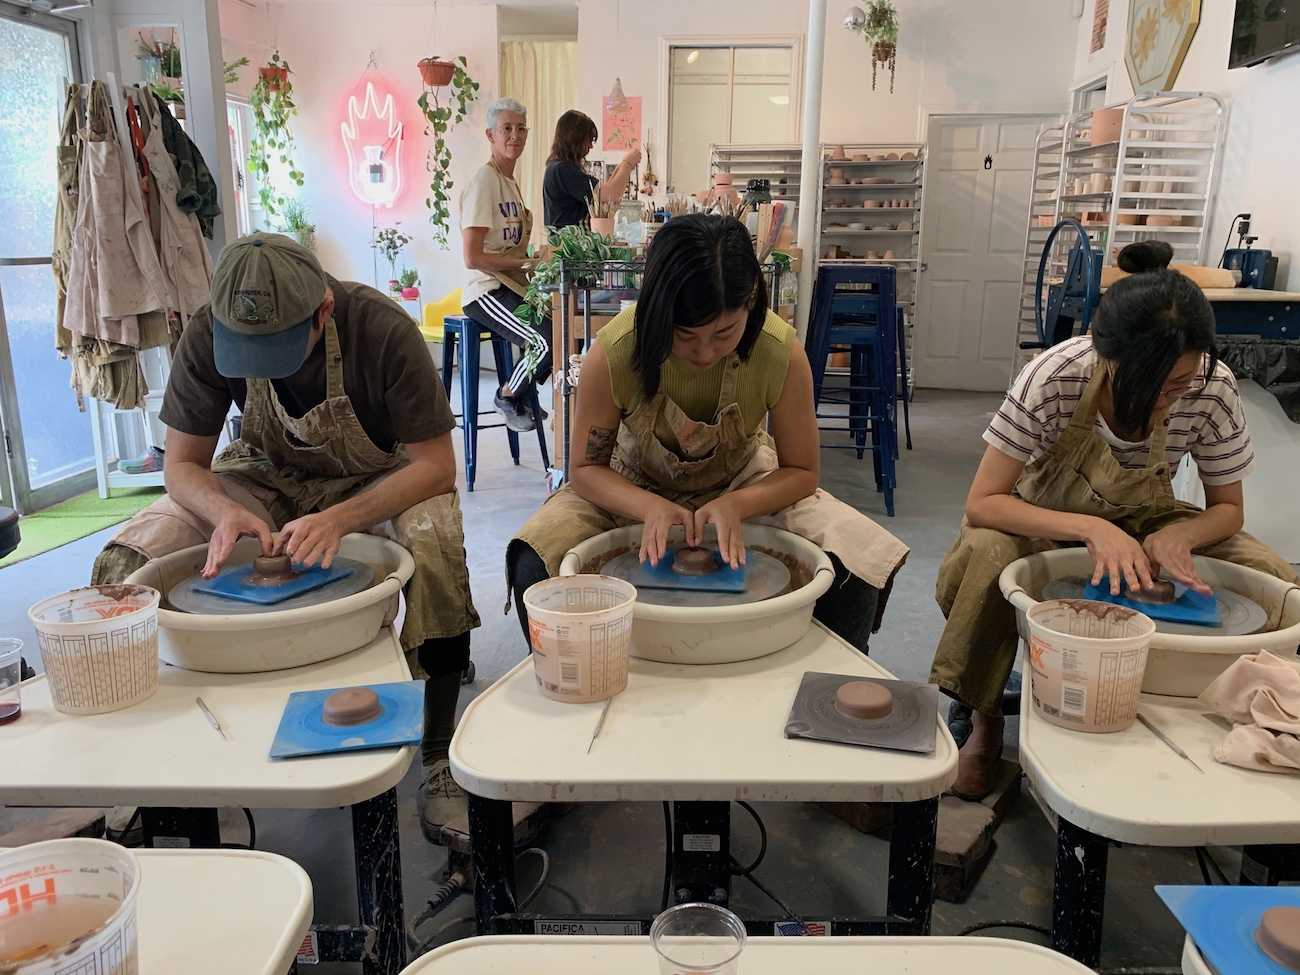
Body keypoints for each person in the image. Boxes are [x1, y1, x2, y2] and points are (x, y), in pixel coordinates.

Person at [91, 233, 481, 839]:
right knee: (132, 556)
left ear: (323, 311)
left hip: (372, 475)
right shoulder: (204, 332)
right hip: (263, 472)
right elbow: (182, 467)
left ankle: (437, 751)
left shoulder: (381, 330)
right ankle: (140, 759)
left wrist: (343, 518)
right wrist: (221, 511)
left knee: (432, 537)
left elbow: (435, 467)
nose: (258, 369)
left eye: (273, 352)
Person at [931, 241, 1300, 800]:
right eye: (1150, 387)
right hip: (1043, 510)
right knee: (989, 555)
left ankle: (1244, 714)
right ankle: (984, 723)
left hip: (1150, 514)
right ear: (1110, 358)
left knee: (1271, 576)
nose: (1165, 402)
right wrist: (1091, 529)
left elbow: (1228, 509)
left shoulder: (1210, 388)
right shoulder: (1056, 376)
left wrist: (1182, 533)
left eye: (1177, 385)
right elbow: (983, 502)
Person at [505, 214, 908, 651]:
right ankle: (584, 690)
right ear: (658, 310)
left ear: (750, 303)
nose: (704, 352)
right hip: (631, 482)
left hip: (744, 479)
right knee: (535, 565)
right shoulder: (616, 352)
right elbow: (585, 468)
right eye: (684, 335)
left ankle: (814, 695)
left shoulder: (780, 352)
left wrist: (738, 504)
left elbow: (802, 471)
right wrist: (649, 507)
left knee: (854, 567)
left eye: (724, 333)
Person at [460, 96, 551, 434]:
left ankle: (524, 393)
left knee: (560, 330)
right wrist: (525, 261)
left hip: (508, 283)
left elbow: (512, 245)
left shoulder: (509, 183)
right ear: (490, 135)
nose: (515, 135)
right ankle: (509, 396)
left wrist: (533, 257)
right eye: (507, 129)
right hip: (484, 290)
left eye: (521, 129)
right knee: (545, 340)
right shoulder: (485, 181)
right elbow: (472, 258)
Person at [542, 109, 642, 231]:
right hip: (568, 246)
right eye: (588, 140)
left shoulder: (557, 168)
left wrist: (623, 164)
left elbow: (606, 189)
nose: (590, 146)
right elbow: (610, 195)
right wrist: (628, 163)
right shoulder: (562, 170)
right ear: (575, 139)